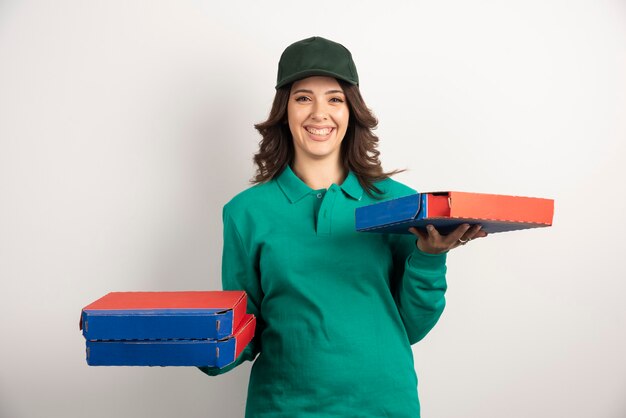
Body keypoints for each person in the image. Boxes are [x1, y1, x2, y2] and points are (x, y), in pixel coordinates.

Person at [200, 36, 487, 417]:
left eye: (334, 99)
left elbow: (412, 327)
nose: (320, 113)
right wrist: (202, 347)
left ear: (351, 110)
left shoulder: (398, 204)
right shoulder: (245, 212)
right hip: (283, 407)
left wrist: (429, 258)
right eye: (304, 98)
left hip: (383, 405)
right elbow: (245, 325)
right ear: (284, 109)